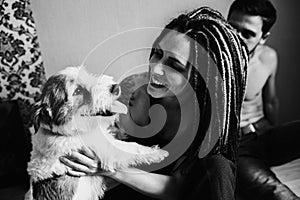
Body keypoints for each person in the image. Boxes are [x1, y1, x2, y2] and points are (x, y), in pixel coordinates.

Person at [60, 7, 248, 200]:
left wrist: (111, 168)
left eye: (174, 65)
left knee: (219, 168)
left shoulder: (211, 138)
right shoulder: (142, 97)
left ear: (202, 80)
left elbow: (178, 188)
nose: (156, 68)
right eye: (157, 53)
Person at [227, 0, 300, 199]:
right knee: (277, 193)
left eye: (248, 33)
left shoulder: (269, 57)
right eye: (232, 27)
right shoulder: (210, 61)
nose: (236, 37)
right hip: (237, 146)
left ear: (263, 37)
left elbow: (271, 101)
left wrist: (274, 136)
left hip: (264, 133)